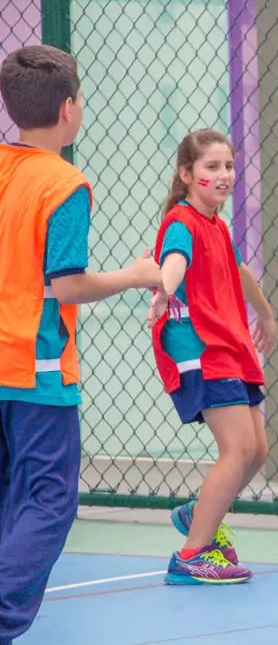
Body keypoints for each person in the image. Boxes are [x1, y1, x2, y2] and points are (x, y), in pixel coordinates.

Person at [0, 45, 160, 645]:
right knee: (48, 500)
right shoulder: (65, 184)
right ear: (69, 109)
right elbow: (67, 284)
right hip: (36, 371)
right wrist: (136, 275)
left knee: (9, 498)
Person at [147, 129, 277, 586]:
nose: (224, 175)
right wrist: (164, 291)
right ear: (186, 174)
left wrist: (265, 313)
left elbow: (240, 271)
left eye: (228, 166)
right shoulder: (181, 222)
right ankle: (192, 554)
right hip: (200, 348)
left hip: (229, 345)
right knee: (237, 448)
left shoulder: (218, 226)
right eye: (211, 167)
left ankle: (199, 512)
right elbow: (174, 261)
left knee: (256, 451)